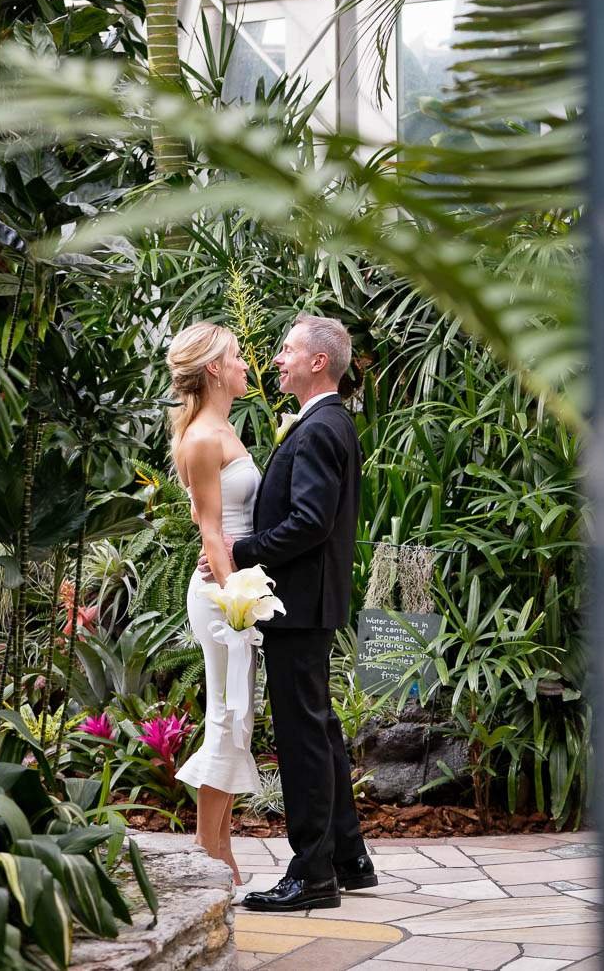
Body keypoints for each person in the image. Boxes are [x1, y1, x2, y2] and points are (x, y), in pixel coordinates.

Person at [200, 313, 377, 913]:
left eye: (287, 350)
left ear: (318, 362)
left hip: (299, 604)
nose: (277, 358)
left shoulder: (322, 427)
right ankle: (349, 858)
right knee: (319, 726)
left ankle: (311, 874)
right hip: (306, 602)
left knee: (302, 737)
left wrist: (238, 551)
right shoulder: (321, 422)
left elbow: (309, 523)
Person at [167, 320, 260, 886]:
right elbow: (210, 533)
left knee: (238, 718)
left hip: (238, 584)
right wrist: (237, 603)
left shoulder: (221, 426)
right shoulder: (203, 437)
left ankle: (221, 846)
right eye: (237, 356)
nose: (246, 363)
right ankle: (208, 849)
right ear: (214, 370)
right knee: (226, 715)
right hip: (223, 594)